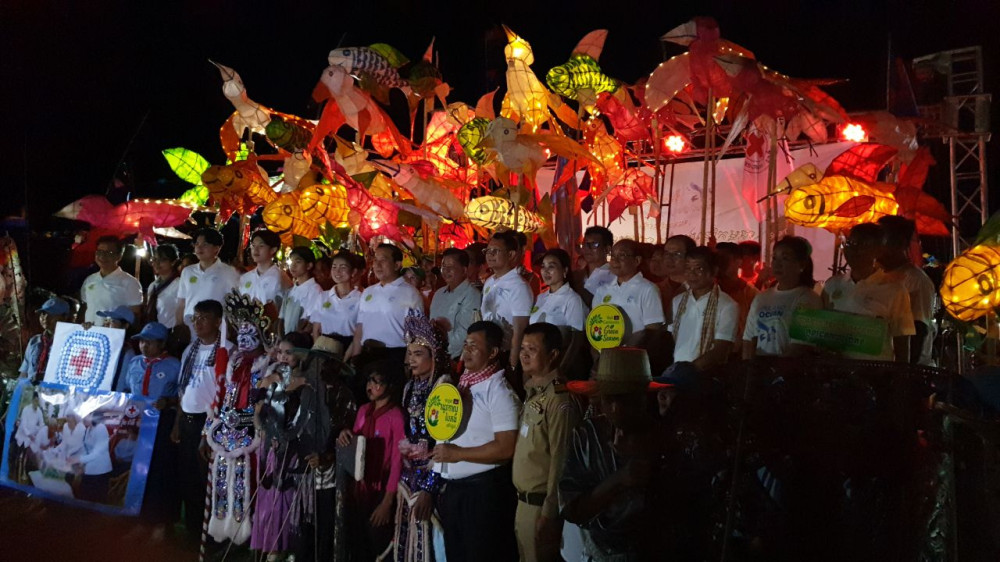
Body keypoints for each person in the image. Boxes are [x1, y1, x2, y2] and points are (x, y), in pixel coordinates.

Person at [559, 347, 675, 560]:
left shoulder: (665, 440)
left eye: (625, 399)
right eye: (608, 399)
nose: (615, 408)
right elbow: (571, 510)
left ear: (643, 398)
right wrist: (619, 479)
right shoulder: (587, 435)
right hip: (598, 552)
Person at [431, 320, 520, 562]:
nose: (467, 351)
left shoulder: (499, 391)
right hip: (456, 490)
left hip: (482, 492)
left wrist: (457, 454)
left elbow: (506, 447)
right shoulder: (463, 384)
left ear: (493, 352)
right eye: (465, 344)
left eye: (474, 346)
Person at [204, 289, 273, 545]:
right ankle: (223, 531)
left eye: (249, 334)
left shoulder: (268, 364)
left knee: (248, 481)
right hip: (227, 429)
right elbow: (223, 396)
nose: (243, 340)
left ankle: (249, 535)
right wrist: (210, 425)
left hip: (253, 432)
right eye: (240, 334)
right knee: (223, 479)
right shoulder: (233, 361)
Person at [512, 322, 580, 561]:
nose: (524, 354)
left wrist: (550, 514)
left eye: (532, 349)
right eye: (522, 348)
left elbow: (562, 458)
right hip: (523, 503)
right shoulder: (534, 391)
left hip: (541, 507)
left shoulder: (558, 398)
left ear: (553, 355)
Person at [171, 299, 233, 544]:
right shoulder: (190, 350)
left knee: (206, 479)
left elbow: (227, 395)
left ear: (218, 322)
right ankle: (192, 532)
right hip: (187, 420)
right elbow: (183, 389)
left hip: (209, 423)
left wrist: (212, 431)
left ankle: (211, 537)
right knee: (187, 477)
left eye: (204, 318)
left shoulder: (227, 351)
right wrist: (177, 422)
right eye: (195, 318)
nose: (197, 323)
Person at [392, 310, 452, 562]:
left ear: (434, 355)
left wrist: (429, 488)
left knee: (431, 541)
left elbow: (445, 441)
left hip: (433, 478)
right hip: (409, 477)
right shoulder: (409, 387)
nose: (411, 360)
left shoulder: (444, 387)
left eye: (418, 354)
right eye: (410, 353)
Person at [251, 331, 316, 558]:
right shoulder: (269, 380)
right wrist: (264, 431)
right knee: (267, 495)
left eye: (289, 352)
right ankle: (268, 547)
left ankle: (285, 548)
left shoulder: (307, 383)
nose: (283, 357)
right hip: (269, 447)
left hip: (292, 450)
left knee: (286, 497)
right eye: (280, 352)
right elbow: (257, 413)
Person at [296, 337, 358, 562]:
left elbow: (345, 436)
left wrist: (325, 457)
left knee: (325, 527)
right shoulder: (306, 390)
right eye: (315, 360)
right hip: (305, 471)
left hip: (329, 473)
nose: (318, 365)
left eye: (324, 361)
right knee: (304, 526)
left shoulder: (344, 395)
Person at [338, 359, 406, 560]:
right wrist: (345, 434)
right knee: (357, 543)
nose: (371, 386)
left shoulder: (396, 417)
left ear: (390, 386)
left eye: (378, 382)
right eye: (369, 380)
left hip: (381, 488)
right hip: (359, 487)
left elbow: (397, 461)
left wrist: (386, 502)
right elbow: (356, 444)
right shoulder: (363, 411)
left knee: (378, 541)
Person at [120, 322, 181, 539]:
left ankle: (161, 524)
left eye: (150, 342)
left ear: (162, 344)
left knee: (160, 472)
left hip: (162, 423)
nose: (144, 346)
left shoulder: (174, 365)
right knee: (139, 471)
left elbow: (183, 396)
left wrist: (168, 402)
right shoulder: (135, 363)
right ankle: (141, 520)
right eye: (142, 342)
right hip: (138, 422)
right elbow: (126, 391)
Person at [823, 223, 915, 362]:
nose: (854, 250)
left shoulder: (895, 291)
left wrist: (901, 372)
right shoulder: (832, 285)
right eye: (850, 243)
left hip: (875, 371)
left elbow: (901, 341)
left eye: (862, 245)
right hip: (837, 370)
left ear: (878, 251)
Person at [742, 237, 823, 359]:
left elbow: (800, 348)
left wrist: (773, 369)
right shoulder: (761, 298)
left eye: (785, 258)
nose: (777, 264)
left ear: (801, 265)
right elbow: (748, 339)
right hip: (758, 368)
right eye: (774, 258)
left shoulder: (809, 299)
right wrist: (749, 365)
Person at [348, 244, 424, 367]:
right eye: (375, 260)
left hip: (394, 357)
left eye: (383, 260)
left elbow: (416, 334)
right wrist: (355, 357)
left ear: (397, 265)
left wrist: (407, 364)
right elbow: (360, 328)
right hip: (367, 354)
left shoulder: (410, 293)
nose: (377, 265)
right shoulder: (368, 292)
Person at [669, 246, 739, 372]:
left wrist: (688, 371)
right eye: (688, 268)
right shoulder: (678, 301)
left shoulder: (727, 305)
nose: (692, 274)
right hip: (676, 371)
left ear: (713, 271)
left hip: (706, 375)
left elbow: (720, 350)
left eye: (699, 269)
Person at [878, 216, 937, 365]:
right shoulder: (875, 276)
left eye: (883, 239)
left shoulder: (916, 280)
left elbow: (918, 330)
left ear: (901, 243)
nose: (877, 245)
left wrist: (904, 371)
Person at [591, 239, 665, 346]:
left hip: (635, 353)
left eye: (622, 255)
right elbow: (594, 325)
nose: (615, 260)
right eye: (612, 256)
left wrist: (629, 349)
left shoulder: (648, 289)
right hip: (606, 353)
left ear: (637, 260)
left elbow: (653, 330)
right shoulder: (602, 290)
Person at [482, 231, 534, 371]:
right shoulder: (489, 282)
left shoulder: (518, 286)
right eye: (488, 251)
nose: (490, 255)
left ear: (511, 254)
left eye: (496, 251)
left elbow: (520, 330)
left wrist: (513, 364)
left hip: (506, 353)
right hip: (488, 352)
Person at [175, 228, 241, 331]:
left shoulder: (228, 272)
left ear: (217, 248)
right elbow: (181, 303)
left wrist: (230, 330)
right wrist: (179, 326)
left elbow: (234, 305)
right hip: (190, 328)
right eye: (197, 244)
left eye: (205, 244)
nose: (199, 247)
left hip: (216, 330)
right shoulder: (187, 271)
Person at [429, 248, 483, 362]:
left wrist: (443, 351)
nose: (446, 271)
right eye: (443, 266)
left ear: (464, 270)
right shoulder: (438, 294)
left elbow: (465, 332)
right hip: (434, 354)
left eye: (451, 267)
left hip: (455, 358)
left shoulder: (472, 295)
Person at [79, 235, 143, 324]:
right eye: (99, 252)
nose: (102, 256)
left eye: (109, 252)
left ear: (119, 256)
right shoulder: (90, 280)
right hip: (90, 331)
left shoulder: (130, 282)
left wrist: (119, 325)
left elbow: (135, 314)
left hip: (112, 331)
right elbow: (85, 307)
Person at [310, 250, 362, 352]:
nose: (337, 271)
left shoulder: (360, 298)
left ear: (353, 272)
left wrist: (347, 358)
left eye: (343, 267)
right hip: (324, 347)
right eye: (334, 267)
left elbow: (359, 333)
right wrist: (318, 352)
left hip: (348, 347)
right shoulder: (323, 296)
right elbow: (316, 330)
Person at [239, 229, 291, 322]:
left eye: (261, 246)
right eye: (253, 245)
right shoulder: (245, 278)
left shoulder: (280, 277)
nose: (255, 250)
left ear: (273, 250)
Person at [531, 249, 588, 332]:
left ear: (565, 270)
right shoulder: (540, 298)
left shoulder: (572, 300)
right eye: (543, 266)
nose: (545, 271)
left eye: (551, 266)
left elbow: (577, 336)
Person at [20, 297, 72, 382]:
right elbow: (24, 372)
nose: (45, 317)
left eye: (51, 314)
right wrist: (19, 387)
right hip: (32, 389)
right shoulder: (34, 341)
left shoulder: (70, 343)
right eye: (43, 313)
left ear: (64, 317)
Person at [715, 242, 760, 341]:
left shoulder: (751, 294)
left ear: (739, 262)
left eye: (725, 259)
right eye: (717, 259)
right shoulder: (709, 290)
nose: (720, 264)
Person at [279, 246, 324, 335]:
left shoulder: (315, 290)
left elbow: (311, 322)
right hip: (286, 339)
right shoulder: (290, 291)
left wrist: (296, 338)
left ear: (309, 265)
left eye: (298, 262)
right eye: (291, 261)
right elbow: (282, 317)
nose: (293, 265)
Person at [571, 226, 615, 308]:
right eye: (585, 244)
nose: (587, 248)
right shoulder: (575, 276)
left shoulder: (615, 277)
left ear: (607, 249)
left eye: (594, 244)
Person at [74, 412, 113, 503]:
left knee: (95, 499)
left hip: (100, 471)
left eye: (86, 415)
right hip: (90, 468)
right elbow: (86, 449)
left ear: (94, 416)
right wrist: (82, 463)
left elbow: (97, 453)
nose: (83, 418)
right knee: (83, 496)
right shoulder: (88, 429)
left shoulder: (101, 428)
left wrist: (79, 459)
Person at [658, 235, 696, 323]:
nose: (669, 259)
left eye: (677, 254)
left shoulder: (698, 290)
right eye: (667, 253)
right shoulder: (655, 289)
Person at [99, 305, 137, 391]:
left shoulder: (127, 353)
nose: (107, 324)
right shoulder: (102, 344)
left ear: (125, 326)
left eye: (112, 321)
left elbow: (121, 384)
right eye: (106, 320)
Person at [145, 244, 182, 330]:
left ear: (173, 262)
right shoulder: (153, 285)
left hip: (171, 331)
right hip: (152, 331)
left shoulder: (180, 284)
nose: (156, 263)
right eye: (154, 259)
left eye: (162, 260)